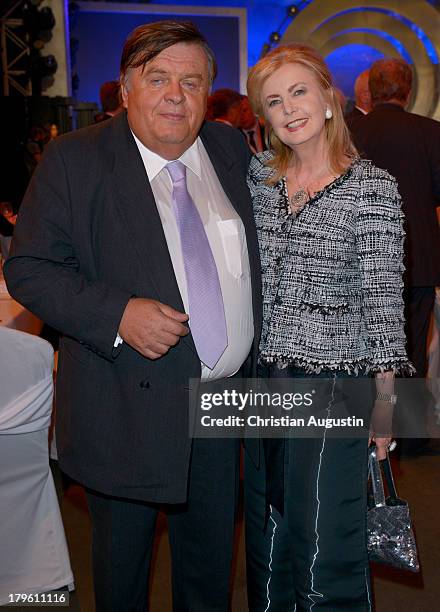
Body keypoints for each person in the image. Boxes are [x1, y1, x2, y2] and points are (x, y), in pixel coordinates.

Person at [5, 20, 262, 611]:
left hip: (222, 411)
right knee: (123, 581)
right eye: (159, 78)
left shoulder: (229, 150)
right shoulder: (76, 159)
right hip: (124, 410)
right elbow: (31, 267)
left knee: (209, 575)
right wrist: (116, 314)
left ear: (209, 93)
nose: (176, 94)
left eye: (192, 81)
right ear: (126, 90)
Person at [244, 44, 412, 611]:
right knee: (269, 540)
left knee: (323, 550)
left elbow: (385, 308)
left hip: (334, 387)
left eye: (298, 92)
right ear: (262, 117)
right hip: (265, 386)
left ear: (329, 99)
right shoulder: (260, 179)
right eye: (273, 101)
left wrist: (387, 410)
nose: (289, 109)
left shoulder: (372, 188)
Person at [351, 58, 440, 456]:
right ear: (407, 89)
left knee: (365, 347)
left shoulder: (351, 131)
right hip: (418, 257)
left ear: (373, 88)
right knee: (413, 350)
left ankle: (364, 427)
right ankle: (411, 434)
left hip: (359, 257)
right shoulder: (430, 132)